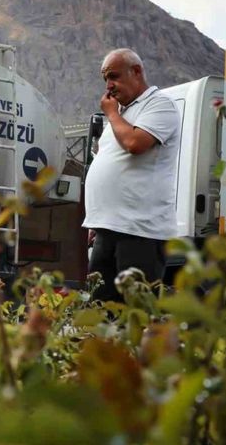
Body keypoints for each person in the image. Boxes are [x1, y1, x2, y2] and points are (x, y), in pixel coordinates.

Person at [83, 48, 180, 302]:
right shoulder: (123, 114)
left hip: (140, 230)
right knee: (100, 308)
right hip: (109, 226)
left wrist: (112, 114)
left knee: (134, 309)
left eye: (113, 76)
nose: (109, 85)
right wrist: (98, 218)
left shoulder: (159, 104)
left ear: (136, 72)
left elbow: (135, 144)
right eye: (105, 79)